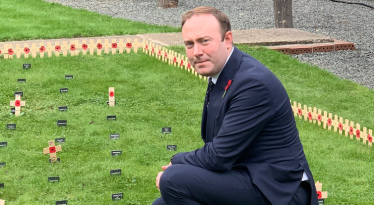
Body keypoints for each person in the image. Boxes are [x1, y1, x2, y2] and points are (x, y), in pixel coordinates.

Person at [152, 6, 318, 205]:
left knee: (173, 179)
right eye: (189, 44)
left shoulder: (253, 83)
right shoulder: (223, 72)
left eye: (204, 41)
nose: (196, 52)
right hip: (247, 176)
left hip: (280, 191)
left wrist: (177, 161)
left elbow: (218, 156)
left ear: (227, 40)